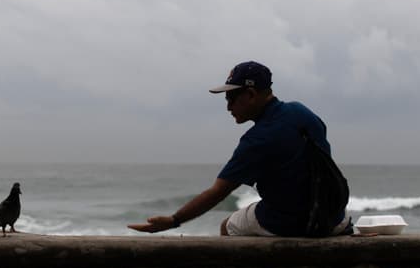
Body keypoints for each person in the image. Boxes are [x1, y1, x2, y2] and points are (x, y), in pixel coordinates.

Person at [128, 61, 351, 237]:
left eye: (231, 99)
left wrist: (174, 220)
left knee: (229, 226)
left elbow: (218, 192)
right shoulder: (303, 112)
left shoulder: (257, 140)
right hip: (332, 218)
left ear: (251, 95)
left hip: (293, 223)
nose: (228, 107)